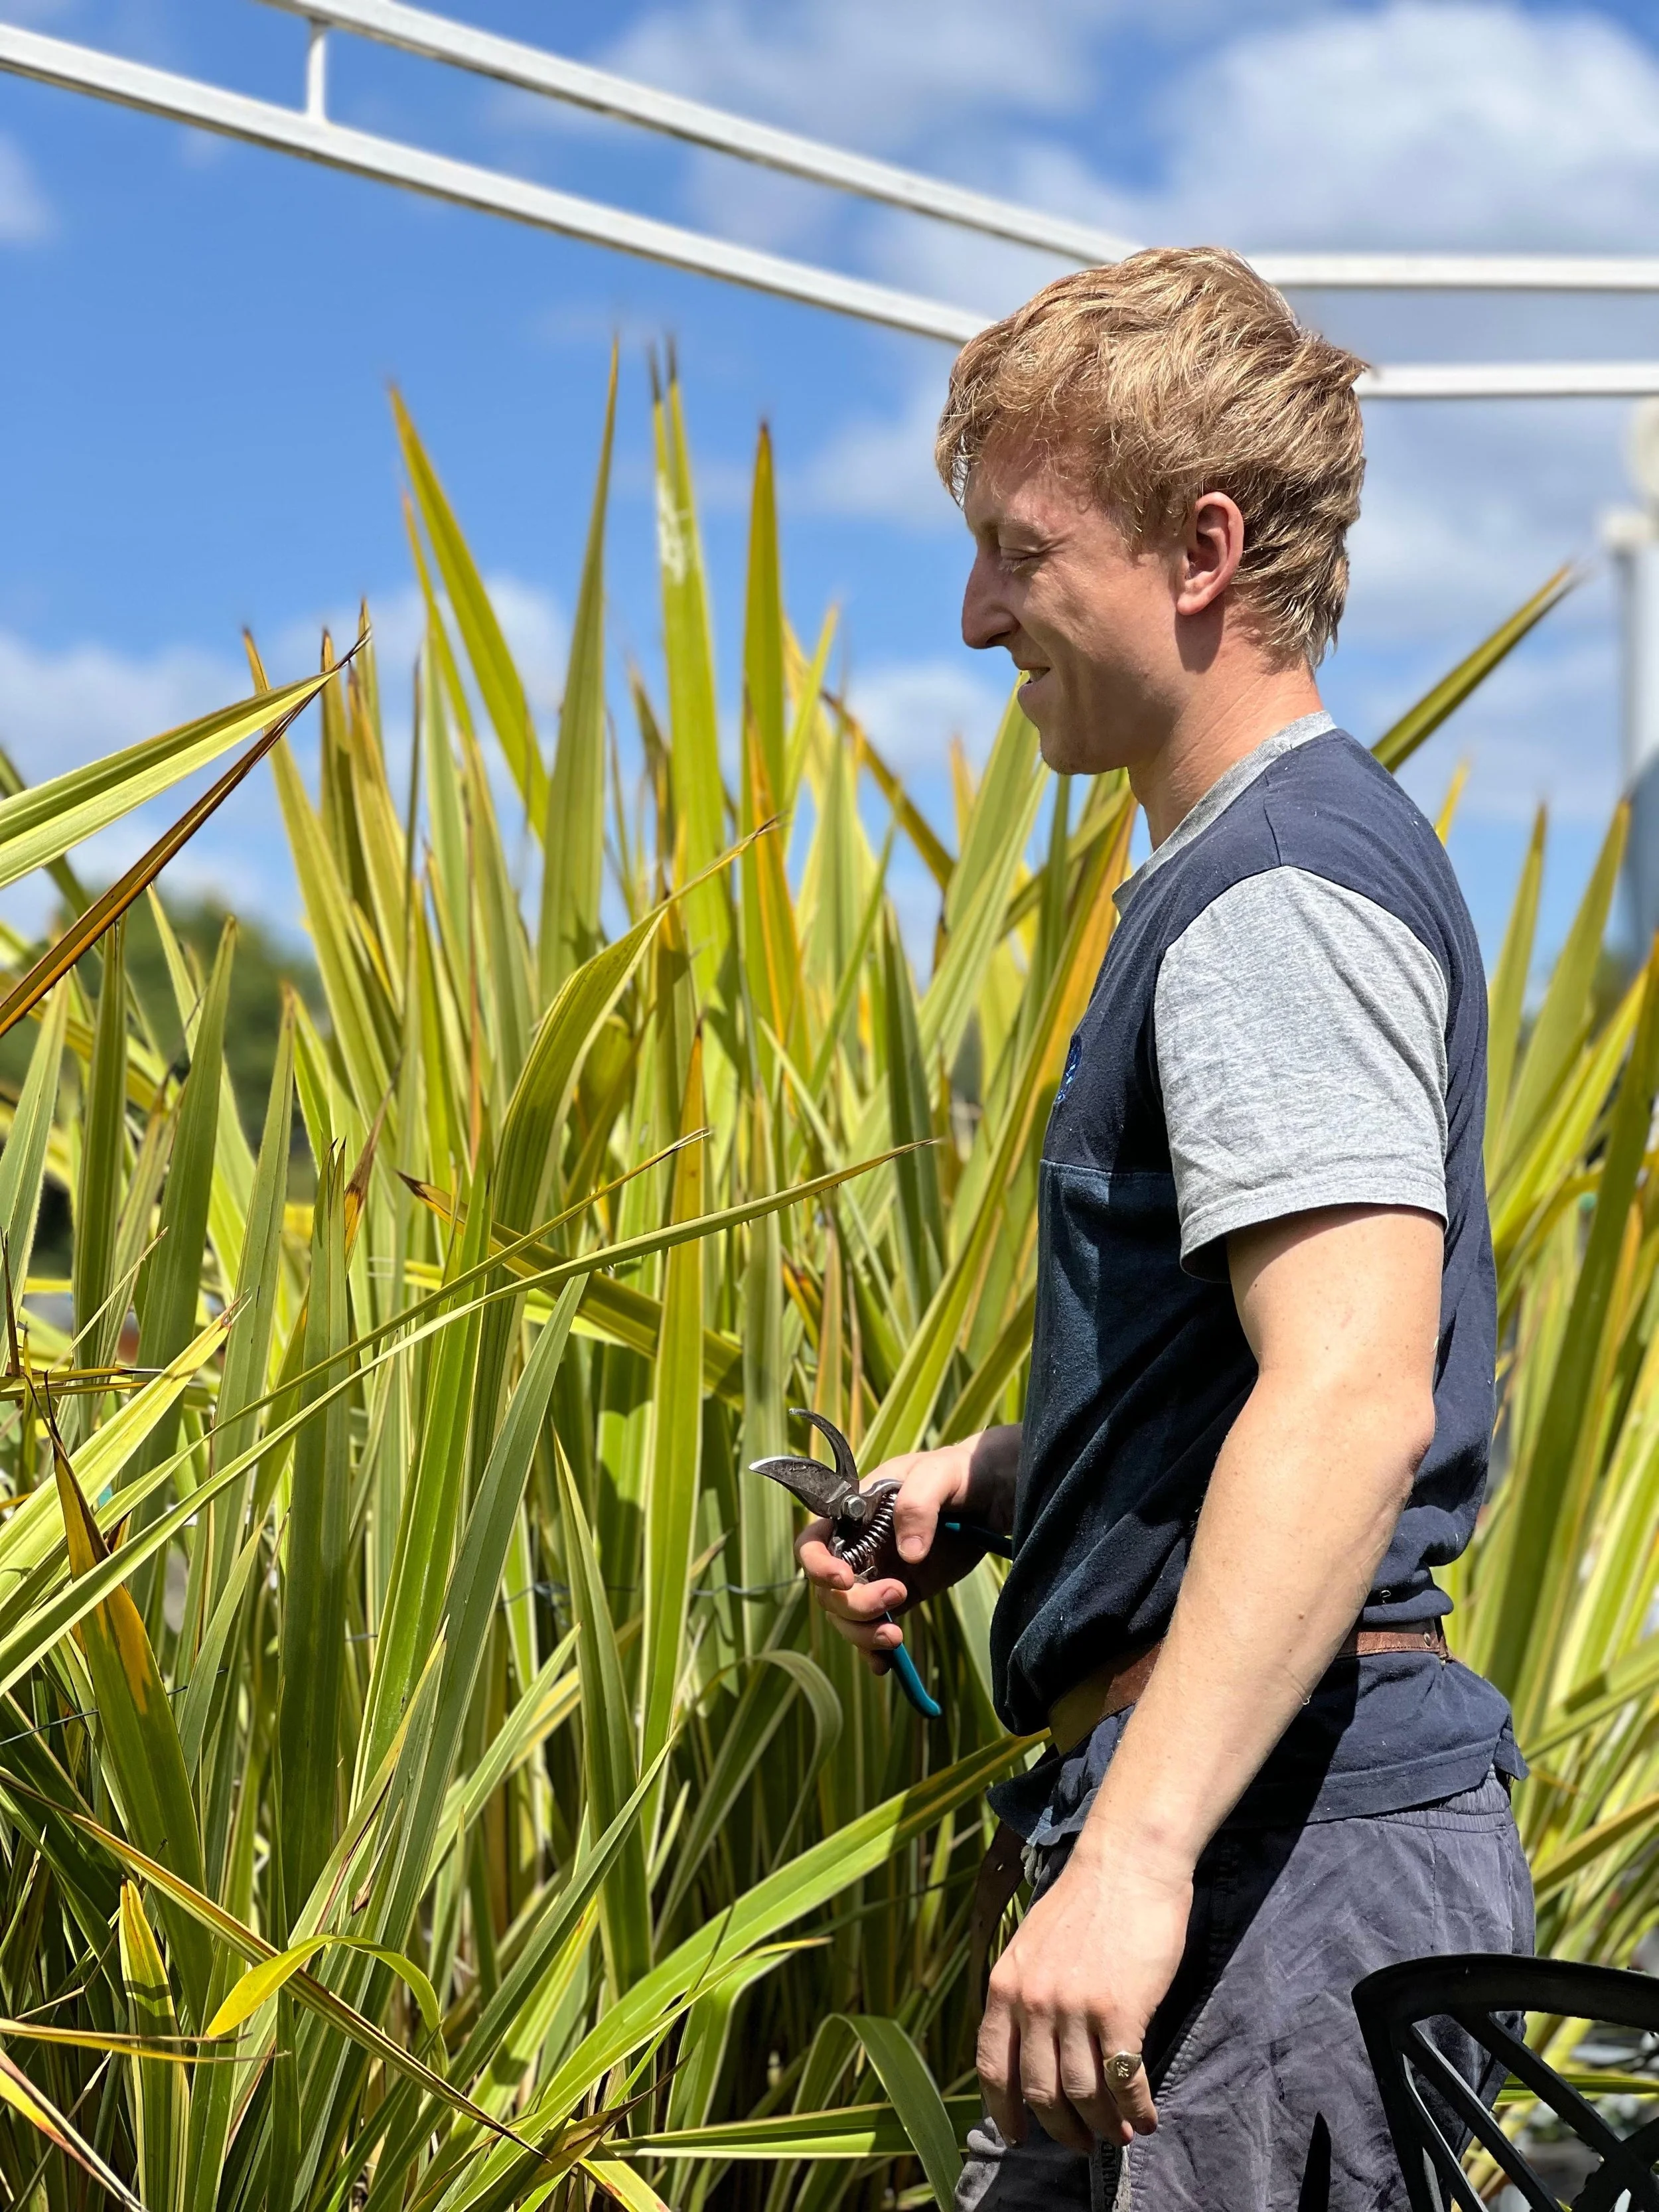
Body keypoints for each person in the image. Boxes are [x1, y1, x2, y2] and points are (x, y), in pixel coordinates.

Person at [794, 247, 1533, 2211]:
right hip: (1268, 1835)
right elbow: (1278, 1374)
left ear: (1200, 548)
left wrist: (1131, 1849)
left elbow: (1357, 1389)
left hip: (1276, 1862)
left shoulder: (1276, 890)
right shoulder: (1259, 872)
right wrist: (1007, 1479)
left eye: (1020, 550)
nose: (973, 614)